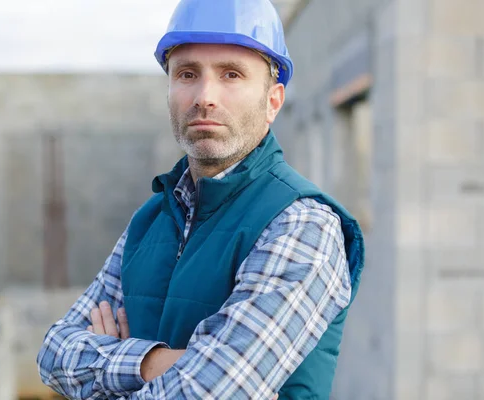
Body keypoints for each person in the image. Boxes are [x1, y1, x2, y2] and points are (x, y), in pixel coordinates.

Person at [37, 0, 365, 398]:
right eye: (188, 74)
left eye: (231, 74)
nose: (205, 96)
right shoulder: (152, 220)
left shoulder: (302, 225)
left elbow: (206, 393)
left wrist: (107, 369)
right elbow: (54, 354)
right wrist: (154, 363)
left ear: (273, 102)